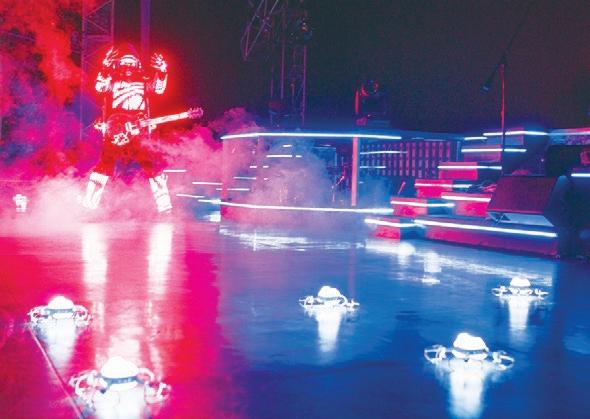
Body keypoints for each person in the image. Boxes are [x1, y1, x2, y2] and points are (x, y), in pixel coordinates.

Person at [82, 44, 172, 213]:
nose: (128, 66)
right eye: (125, 62)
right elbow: (100, 87)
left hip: (139, 132)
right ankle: (88, 206)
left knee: (152, 166)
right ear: (118, 64)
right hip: (115, 131)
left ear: (137, 65)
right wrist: (104, 68)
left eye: (131, 63)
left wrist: (162, 72)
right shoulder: (112, 81)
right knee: (104, 166)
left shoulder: (144, 82)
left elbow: (159, 89)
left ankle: (165, 208)